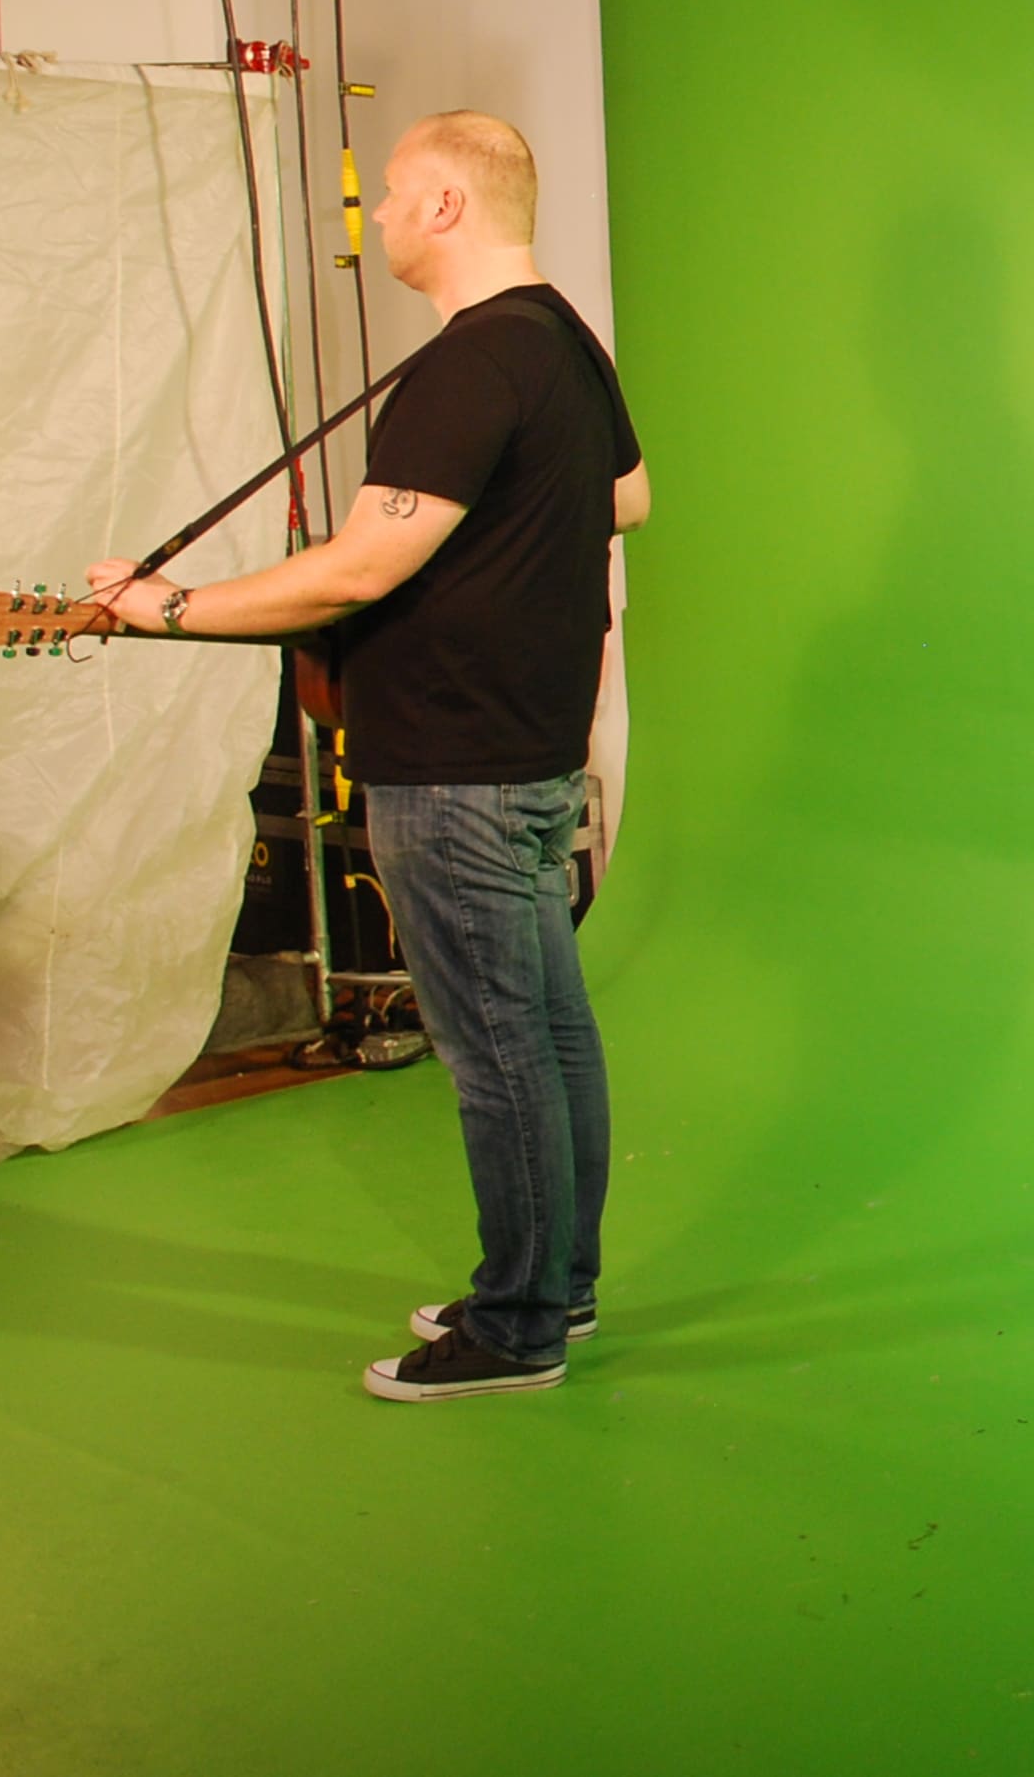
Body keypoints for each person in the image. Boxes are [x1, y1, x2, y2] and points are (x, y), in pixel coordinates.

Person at [88, 110, 646, 1403]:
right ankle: (558, 1282)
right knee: (553, 1036)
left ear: (450, 205)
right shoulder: (566, 344)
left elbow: (356, 566)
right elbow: (624, 497)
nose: (378, 215)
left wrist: (155, 604)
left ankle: (515, 1330)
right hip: (528, 751)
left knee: (499, 1050)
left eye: (394, 194)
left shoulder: (464, 369)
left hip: (452, 765)